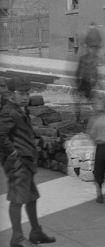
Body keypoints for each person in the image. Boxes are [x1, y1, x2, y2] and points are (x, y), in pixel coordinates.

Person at [0, 76, 56, 246]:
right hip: (18, 163)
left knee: (31, 197)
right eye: (21, 93)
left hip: (26, 160)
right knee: (17, 199)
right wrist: (13, 153)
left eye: (27, 93)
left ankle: (35, 231)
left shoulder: (19, 110)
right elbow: (1, 135)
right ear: (11, 95)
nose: (25, 97)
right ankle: (17, 238)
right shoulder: (9, 111)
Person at [74, 25, 105, 122]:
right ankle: (78, 119)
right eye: (92, 48)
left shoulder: (99, 59)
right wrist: (78, 85)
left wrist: (100, 85)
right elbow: (78, 73)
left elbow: (100, 74)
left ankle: (99, 118)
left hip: (94, 85)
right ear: (88, 47)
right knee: (79, 101)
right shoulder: (83, 59)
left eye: (96, 48)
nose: (94, 50)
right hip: (84, 84)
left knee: (100, 100)